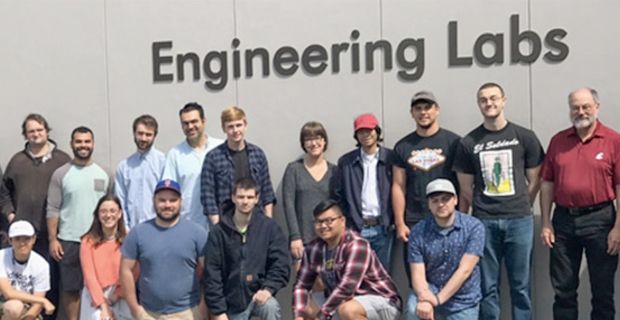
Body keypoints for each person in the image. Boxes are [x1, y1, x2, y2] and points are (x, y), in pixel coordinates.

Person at [453, 82, 544, 320]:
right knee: (487, 286)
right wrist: (484, 206)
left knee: (521, 285)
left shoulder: (525, 137)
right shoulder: (469, 142)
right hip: (483, 222)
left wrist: (522, 202)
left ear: (504, 100)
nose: (489, 103)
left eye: (493, 98)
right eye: (483, 99)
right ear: (478, 104)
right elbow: (464, 188)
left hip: (520, 220)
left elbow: (535, 180)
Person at [540, 87, 620, 320]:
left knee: (602, 291)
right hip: (563, 221)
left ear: (596, 107)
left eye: (586, 106)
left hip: (601, 220)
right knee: (563, 290)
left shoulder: (613, 140)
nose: (581, 111)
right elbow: (547, 184)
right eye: (575, 107)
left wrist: (618, 227)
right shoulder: (558, 141)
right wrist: (546, 221)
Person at [392, 91, 461, 284]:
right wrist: (400, 223)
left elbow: (464, 185)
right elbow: (398, 186)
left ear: (437, 110)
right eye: (418, 108)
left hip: (448, 220)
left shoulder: (454, 142)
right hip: (415, 222)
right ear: (412, 113)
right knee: (418, 280)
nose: (423, 112)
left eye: (428, 107)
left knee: (451, 278)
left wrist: (462, 217)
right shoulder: (403, 146)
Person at [292, 199, 402, 320]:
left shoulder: (357, 245)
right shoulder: (313, 249)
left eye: (329, 221)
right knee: (305, 307)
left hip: (380, 300)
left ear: (342, 221)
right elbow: (301, 286)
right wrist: (299, 316)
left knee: (348, 310)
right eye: (319, 222)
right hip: (341, 301)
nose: (323, 226)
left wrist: (321, 316)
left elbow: (347, 286)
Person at [46, 126, 113, 320]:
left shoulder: (105, 173)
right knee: (71, 289)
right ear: (71, 144)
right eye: (79, 142)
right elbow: (53, 208)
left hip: (98, 241)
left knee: (100, 288)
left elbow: (112, 208)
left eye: (87, 141)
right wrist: (53, 239)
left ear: (93, 144)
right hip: (69, 240)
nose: (83, 146)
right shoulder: (61, 174)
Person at [120, 179, 208, 319]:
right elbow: (125, 270)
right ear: (153, 201)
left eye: (173, 200)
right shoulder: (138, 233)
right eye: (162, 200)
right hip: (149, 314)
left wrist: (203, 307)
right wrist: (135, 309)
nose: (167, 205)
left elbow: (210, 272)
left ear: (181, 202)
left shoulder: (197, 233)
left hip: (188, 313)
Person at [204, 178, 289, 320]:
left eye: (250, 197)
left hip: (258, 296)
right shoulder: (218, 232)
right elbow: (212, 274)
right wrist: (219, 311)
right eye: (241, 197)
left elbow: (281, 263)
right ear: (233, 198)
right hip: (231, 303)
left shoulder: (269, 228)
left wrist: (268, 289)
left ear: (257, 199)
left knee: (271, 307)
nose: (245, 201)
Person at [405, 179, 484, 320]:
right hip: (430, 291)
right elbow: (417, 274)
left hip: (463, 300)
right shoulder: (418, 231)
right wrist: (425, 298)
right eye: (434, 200)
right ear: (429, 204)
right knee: (413, 309)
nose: (440, 204)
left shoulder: (474, 227)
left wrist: (438, 299)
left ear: (455, 200)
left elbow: (464, 271)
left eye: (445, 199)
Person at [332, 113, 394, 270]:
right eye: (361, 131)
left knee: (382, 276)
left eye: (370, 130)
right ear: (356, 135)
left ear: (377, 131)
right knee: (355, 274)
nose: (366, 135)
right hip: (357, 228)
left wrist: (393, 221)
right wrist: (347, 223)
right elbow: (337, 195)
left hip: (384, 227)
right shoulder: (346, 162)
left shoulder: (391, 158)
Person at [3, 113, 71, 255]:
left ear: (47, 131)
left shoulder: (62, 160)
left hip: (54, 233)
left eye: (39, 130)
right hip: (23, 233)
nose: (36, 134)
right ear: (25, 135)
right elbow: (4, 192)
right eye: (31, 131)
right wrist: (10, 214)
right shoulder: (17, 161)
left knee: (52, 275)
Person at [201, 106, 276, 225]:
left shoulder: (258, 154)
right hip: (226, 222)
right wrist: (218, 227)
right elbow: (208, 196)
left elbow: (267, 192)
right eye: (230, 127)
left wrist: (269, 224)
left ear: (245, 125)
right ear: (223, 129)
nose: (235, 130)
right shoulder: (213, 157)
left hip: (257, 220)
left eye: (238, 125)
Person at [162, 102, 224, 231]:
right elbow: (169, 192)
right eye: (185, 123)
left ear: (203, 121)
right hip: (190, 225)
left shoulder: (221, 147)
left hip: (222, 224)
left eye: (194, 121)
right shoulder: (175, 154)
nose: (190, 126)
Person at [282, 121, 336, 265]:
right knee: (304, 285)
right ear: (303, 144)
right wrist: (295, 237)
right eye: (308, 139)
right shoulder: (294, 169)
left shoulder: (334, 171)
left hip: (329, 240)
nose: (313, 143)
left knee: (330, 285)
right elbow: (288, 204)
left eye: (318, 138)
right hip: (303, 241)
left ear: (324, 141)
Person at [79, 195, 132, 320]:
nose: (108, 215)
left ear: (120, 214)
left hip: (121, 292)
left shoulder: (129, 239)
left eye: (112, 211)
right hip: (95, 295)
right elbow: (89, 276)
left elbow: (134, 271)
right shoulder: (87, 242)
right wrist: (103, 305)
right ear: (97, 215)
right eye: (103, 211)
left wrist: (117, 295)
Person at [115, 115, 165, 229]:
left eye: (148, 134)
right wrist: (125, 229)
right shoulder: (124, 166)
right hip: (132, 230)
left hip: (158, 229)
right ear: (134, 133)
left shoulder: (163, 163)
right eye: (140, 133)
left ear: (155, 136)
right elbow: (121, 201)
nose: (143, 138)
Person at [0, 220, 54, 320]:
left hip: (28, 308)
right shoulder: (1, 257)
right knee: (14, 307)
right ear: (10, 240)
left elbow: (37, 304)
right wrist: (43, 301)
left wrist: (28, 317)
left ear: (34, 239)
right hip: (4, 303)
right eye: (17, 239)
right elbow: (8, 293)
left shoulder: (41, 264)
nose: (22, 243)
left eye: (27, 239)